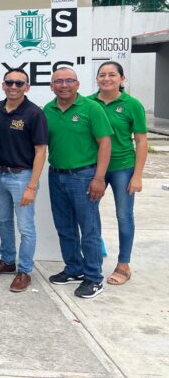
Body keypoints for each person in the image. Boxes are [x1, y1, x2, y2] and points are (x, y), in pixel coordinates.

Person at [45, 67, 112, 299]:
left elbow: (105, 143)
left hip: (84, 176)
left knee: (89, 229)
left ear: (77, 84)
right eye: (58, 81)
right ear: (52, 86)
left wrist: (99, 178)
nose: (64, 85)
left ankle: (94, 278)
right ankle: (74, 268)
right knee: (65, 227)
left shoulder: (91, 108)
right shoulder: (48, 110)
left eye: (69, 81)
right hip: (56, 175)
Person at [0, 69, 47, 293]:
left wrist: (32, 185)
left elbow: (41, 151)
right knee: (3, 221)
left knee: (26, 227)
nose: (14, 86)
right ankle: (7, 261)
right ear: (3, 85)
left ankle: (25, 270)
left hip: (23, 177)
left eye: (19, 83)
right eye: (9, 82)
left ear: (27, 87)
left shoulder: (34, 113)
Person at [91, 61, 147, 286]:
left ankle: (124, 264)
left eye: (112, 75)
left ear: (122, 79)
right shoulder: (88, 103)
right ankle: (94, 256)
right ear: (97, 79)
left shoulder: (132, 104)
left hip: (123, 167)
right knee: (88, 213)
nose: (106, 79)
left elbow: (141, 141)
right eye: (102, 75)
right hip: (94, 168)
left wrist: (137, 175)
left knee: (124, 216)